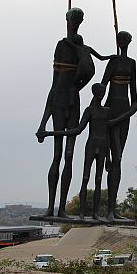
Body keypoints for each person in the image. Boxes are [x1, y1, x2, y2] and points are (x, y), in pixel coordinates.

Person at [36, 8, 110, 218]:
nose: (75, 23)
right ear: (67, 20)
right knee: (58, 155)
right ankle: (52, 207)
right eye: (72, 19)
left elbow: (91, 69)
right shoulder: (61, 46)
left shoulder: (80, 48)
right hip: (59, 100)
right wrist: (43, 123)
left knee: (69, 155)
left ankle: (62, 208)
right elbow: (53, 86)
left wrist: (79, 52)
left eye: (78, 20)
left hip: (73, 101)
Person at [38, 83, 117, 220]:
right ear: (95, 93)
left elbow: (108, 133)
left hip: (103, 146)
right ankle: (81, 212)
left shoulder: (107, 111)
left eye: (104, 91)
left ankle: (95, 213)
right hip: (91, 145)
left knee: (98, 180)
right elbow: (78, 130)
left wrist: (109, 157)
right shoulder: (89, 110)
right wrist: (51, 133)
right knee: (85, 178)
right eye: (100, 91)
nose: (102, 93)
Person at [100, 31, 137, 221]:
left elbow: (135, 102)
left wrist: (122, 117)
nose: (123, 42)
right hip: (110, 110)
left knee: (118, 159)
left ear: (128, 42)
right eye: (121, 40)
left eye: (126, 40)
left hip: (123, 115)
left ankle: (112, 209)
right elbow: (102, 87)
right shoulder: (113, 62)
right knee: (109, 158)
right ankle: (107, 211)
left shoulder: (131, 63)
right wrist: (98, 112)